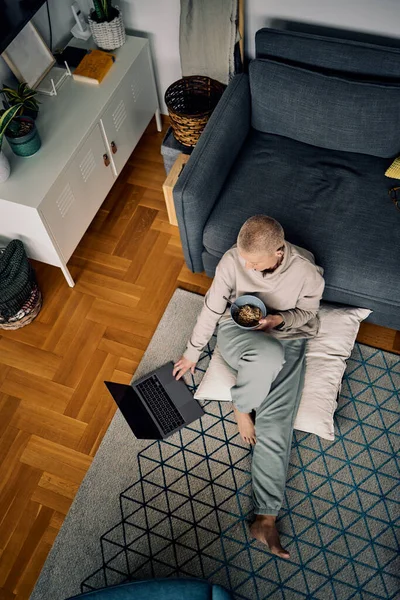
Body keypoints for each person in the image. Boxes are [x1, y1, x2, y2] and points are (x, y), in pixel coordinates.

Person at [173, 215, 325, 559]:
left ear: (278, 252)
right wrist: (192, 353)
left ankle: (266, 518)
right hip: (238, 332)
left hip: (287, 336)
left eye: (253, 262)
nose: (246, 266)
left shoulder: (306, 270)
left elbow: (309, 314)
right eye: (243, 258)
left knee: (276, 421)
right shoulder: (233, 259)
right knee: (267, 355)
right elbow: (214, 307)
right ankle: (242, 405)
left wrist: (279, 320)